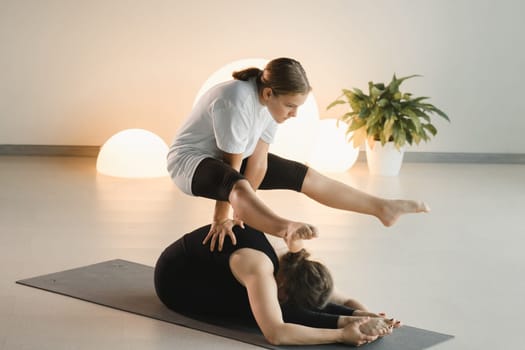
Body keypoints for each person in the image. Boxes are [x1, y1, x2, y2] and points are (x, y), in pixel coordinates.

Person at [167, 57, 429, 251]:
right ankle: (286, 228)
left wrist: (243, 213)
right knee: (236, 183)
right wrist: (222, 218)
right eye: (291, 106)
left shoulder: (267, 103)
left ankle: (382, 207)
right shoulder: (236, 99)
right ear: (269, 93)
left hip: (226, 164)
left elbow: (257, 162)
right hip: (190, 162)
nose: (294, 114)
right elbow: (231, 170)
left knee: (299, 174)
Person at [154, 224, 401, 346]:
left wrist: (364, 314)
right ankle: (344, 322)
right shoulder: (258, 267)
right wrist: (342, 334)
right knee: (279, 311)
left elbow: (339, 298)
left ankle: (349, 320)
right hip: (177, 280)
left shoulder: (299, 263)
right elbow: (276, 333)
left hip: (213, 271)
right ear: (283, 282)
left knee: (286, 302)